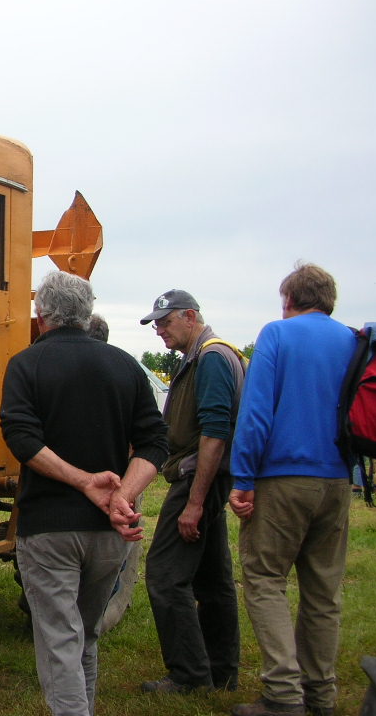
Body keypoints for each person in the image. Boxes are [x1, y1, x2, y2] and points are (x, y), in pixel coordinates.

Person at [0, 271, 167, 716]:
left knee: (60, 639)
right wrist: (123, 496)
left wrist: (83, 482)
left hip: (48, 531)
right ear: (88, 313)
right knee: (85, 636)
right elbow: (156, 441)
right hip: (109, 534)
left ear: (40, 316)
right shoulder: (125, 365)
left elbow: (21, 438)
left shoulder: (25, 364)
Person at [229, 263, 357, 716]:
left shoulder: (278, 335)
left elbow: (256, 412)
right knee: (324, 592)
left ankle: (283, 696)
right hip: (339, 480)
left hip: (283, 478)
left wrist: (242, 479)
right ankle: (321, 695)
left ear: (288, 299)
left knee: (265, 579)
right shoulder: (352, 340)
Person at [138, 290, 245, 694]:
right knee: (214, 580)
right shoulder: (205, 356)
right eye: (156, 324)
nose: (160, 330)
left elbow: (216, 432)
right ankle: (222, 672)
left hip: (198, 479)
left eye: (165, 322)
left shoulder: (212, 358)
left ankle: (189, 676)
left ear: (190, 316)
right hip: (208, 479)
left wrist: (195, 503)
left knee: (165, 577)